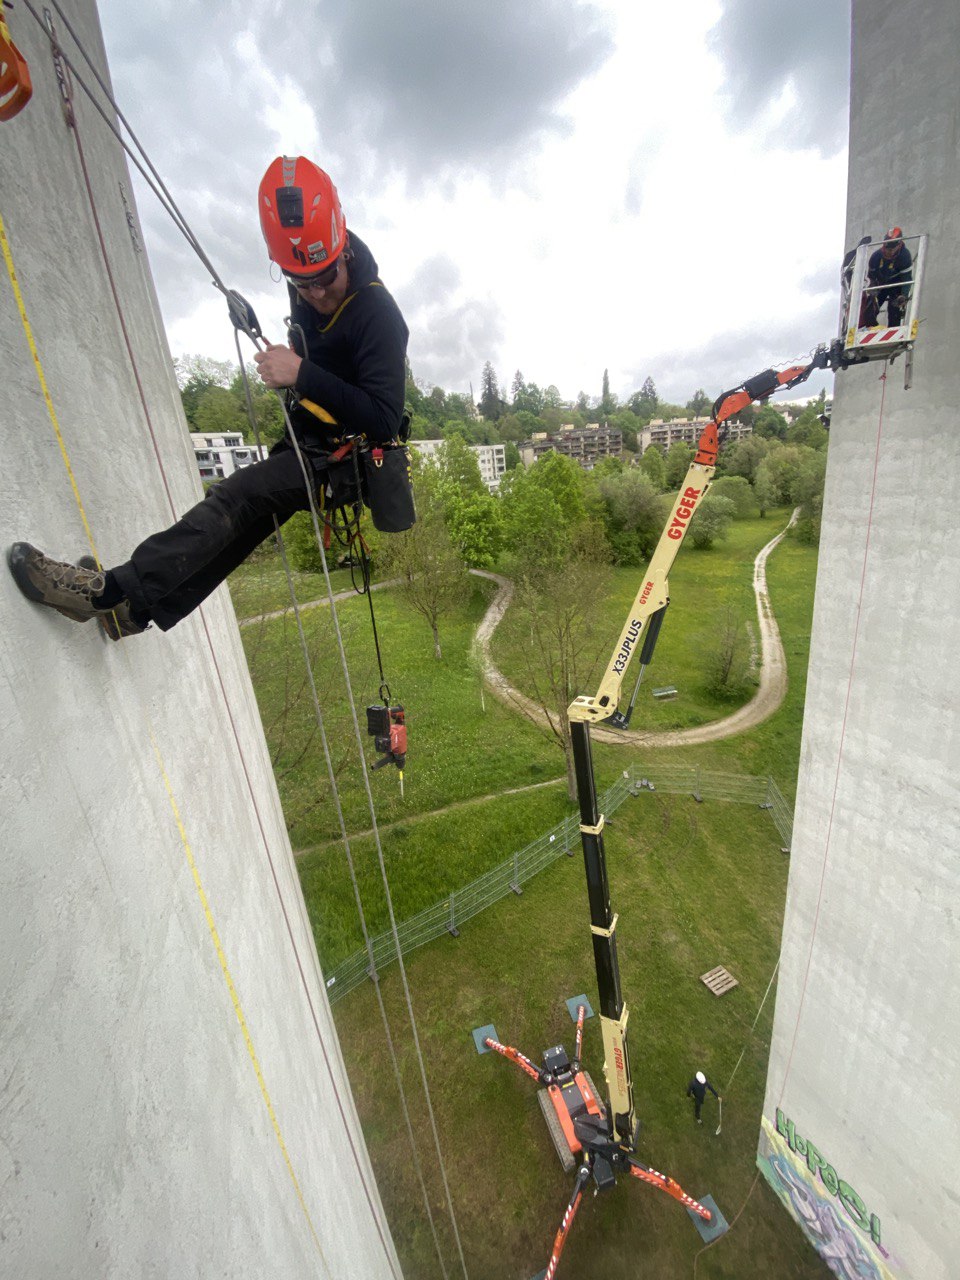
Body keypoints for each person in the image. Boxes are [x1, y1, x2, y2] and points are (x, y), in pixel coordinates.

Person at [8, 156, 409, 639]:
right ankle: (132, 614)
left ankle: (104, 593)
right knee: (242, 528)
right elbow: (321, 348)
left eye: (324, 278)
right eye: (300, 283)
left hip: (344, 461)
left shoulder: (379, 314)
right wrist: (292, 361)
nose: (316, 294)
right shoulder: (306, 279)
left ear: (342, 250)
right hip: (309, 441)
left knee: (234, 499)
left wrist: (300, 372)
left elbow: (384, 419)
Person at [859, 226, 912, 327]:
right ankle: (871, 327)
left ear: (899, 245)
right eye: (888, 249)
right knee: (870, 309)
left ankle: (893, 329)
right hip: (881, 284)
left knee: (895, 310)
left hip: (896, 285)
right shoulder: (876, 257)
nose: (889, 252)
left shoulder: (904, 256)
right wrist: (872, 287)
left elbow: (907, 278)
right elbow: (871, 276)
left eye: (892, 249)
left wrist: (904, 295)